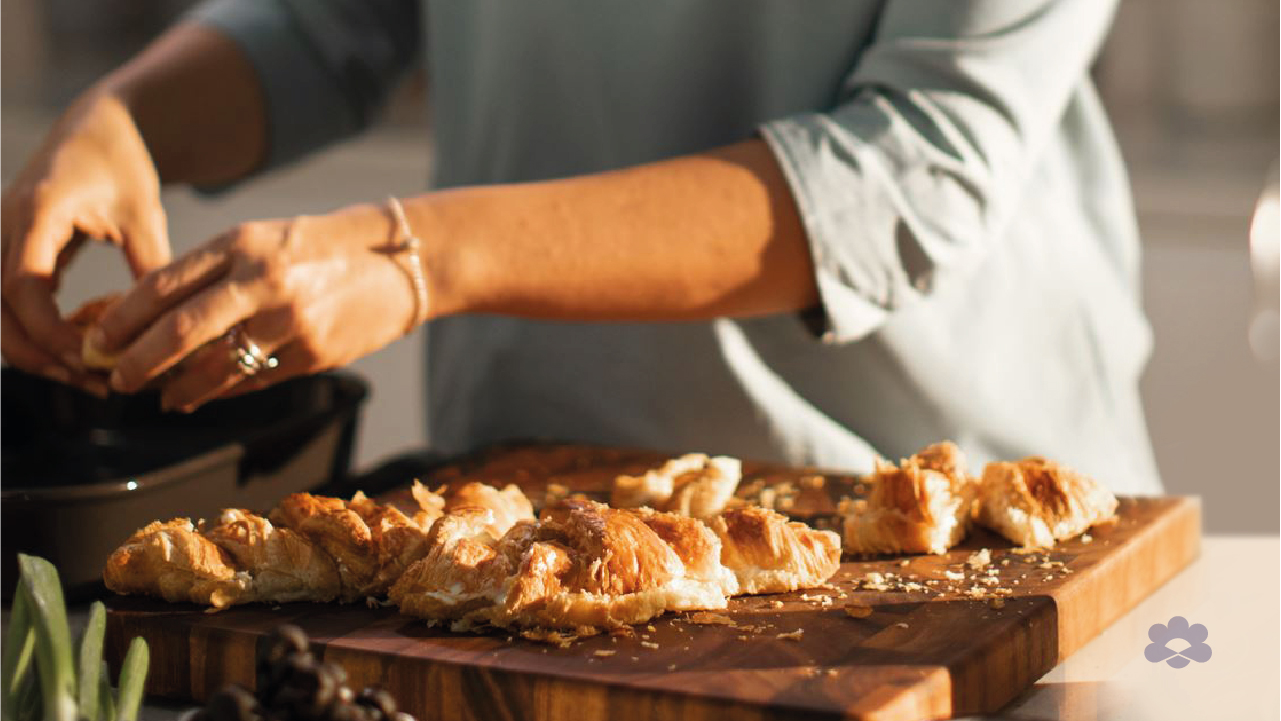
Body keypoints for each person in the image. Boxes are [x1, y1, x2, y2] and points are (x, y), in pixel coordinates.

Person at [0, 0, 1164, 493]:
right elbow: (336, 21)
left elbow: (913, 166)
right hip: (528, 508)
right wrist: (125, 122)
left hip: (929, 511)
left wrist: (422, 258)